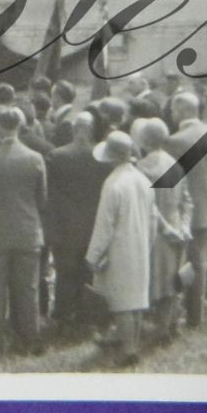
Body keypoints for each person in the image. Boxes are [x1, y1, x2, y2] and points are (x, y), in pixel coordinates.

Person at [0, 106, 48, 355]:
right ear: (20, 125)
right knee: (28, 290)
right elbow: (42, 199)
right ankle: (30, 339)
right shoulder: (35, 158)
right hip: (27, 230)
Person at [85, 131, 153, 365]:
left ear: (111, 156)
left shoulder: (113, 184)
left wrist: (93, 255)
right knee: (137, 297)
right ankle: (132, 344)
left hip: (119, 247)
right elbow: (152, 217)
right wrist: (149, 242)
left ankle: (129, 350)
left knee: (122, 301)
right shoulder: (142, 180)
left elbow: (104, 224)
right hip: (141, 242)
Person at [43, 111, 110, 330]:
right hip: (93, 225)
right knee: (89, 273)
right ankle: (87, 316)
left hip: (65, 226)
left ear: (74, 130)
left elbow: (48, 194)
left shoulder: (56, 156)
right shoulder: (103, 158)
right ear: (91, 131)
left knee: (64, 273)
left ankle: (63, 317)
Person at [166, 91, 207, 329]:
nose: (171, 114)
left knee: (179, 263)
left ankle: (179, 316)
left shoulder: (175, 140)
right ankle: (196, 315)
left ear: (181, 111)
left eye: (173, 110)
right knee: (200, 262)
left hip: (182, 210)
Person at [134, 117, 190, 339]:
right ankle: (170, 324)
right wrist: (184, 227)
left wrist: (167, 230)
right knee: (173, 279)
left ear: (145, 140)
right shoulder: (176, 163)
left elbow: (149, 207)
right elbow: (186, 200)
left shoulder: (142, 168)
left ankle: (162, 329)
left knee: (156, 280)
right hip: (176, 226)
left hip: (156, 231)